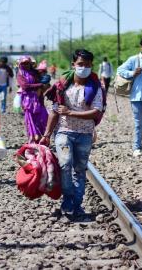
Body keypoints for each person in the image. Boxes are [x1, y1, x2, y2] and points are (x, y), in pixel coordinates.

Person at [40, 49, 104, 217]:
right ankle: (68, 198)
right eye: (81, 64)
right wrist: (46, 135)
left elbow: (96, 111)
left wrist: (70, 113)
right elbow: (55, 111)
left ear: (92, 66)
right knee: (65, 164)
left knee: (80, 169)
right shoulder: (63, 85)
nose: (84, 68)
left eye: (88, 65)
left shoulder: (95, 87)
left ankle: (76, 204)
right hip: (64, 131)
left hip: (85, 134)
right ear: (73, 65)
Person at [17, 55, 48, 143]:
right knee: (31, 120)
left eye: (27, 63)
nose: (26, 65)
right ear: (20, 64)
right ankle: (34, 138)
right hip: (28, 101)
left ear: (30, 63)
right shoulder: (20, 74)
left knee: (42, 118)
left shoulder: (35, 72)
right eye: (23, 64)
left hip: (39, 99)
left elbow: (44, 78)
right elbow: (25, 86)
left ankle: (41, 137)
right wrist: (39, 85)